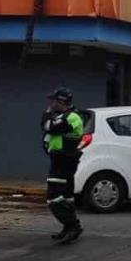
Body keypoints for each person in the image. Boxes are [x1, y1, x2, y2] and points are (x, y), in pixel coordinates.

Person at [41, 87, 84, 244]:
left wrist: (47, 115)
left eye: (54, 101)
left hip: (64, 161)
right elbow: (49, 131)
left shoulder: (72, 117)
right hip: (60, 159)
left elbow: (49, 127)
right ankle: (69, 227)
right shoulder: (63, 115)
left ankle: (73, 226)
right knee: (66, 197)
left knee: (53, 198)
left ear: (61, 102)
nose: (51, 103)